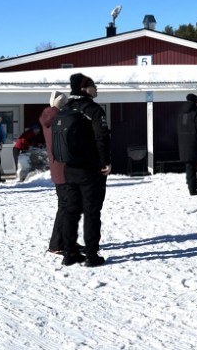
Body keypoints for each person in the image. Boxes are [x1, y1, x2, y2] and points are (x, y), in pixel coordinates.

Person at [60, 73, 112, 267]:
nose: (96, 89)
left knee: (70, 211)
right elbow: (102, 137)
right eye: (93, 85)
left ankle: (70, 253)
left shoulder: (66, 108)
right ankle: (91, 255)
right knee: (92, 211)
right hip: (90, 169)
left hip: (69, 168)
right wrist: (105, 161)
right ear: (84, 89)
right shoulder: (93, 109)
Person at [41, 91, 76, 255]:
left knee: (67, 206)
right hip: (66, 170)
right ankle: (56, 244)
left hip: (59, 170)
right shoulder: (61, 120)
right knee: (66, 207)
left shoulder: (48, 119)